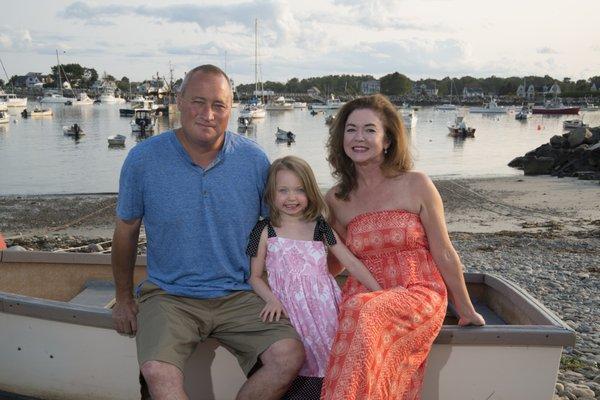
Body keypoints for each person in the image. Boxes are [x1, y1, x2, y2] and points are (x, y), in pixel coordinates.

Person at [111, 64, 304, 400]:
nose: (208, 114)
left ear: (231, 110)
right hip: (170, 295)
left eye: (219, 105)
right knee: (157, 371)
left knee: (289, 356)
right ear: (179, 101)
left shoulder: (254, 159)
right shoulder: (144, 159)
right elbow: (126, 231)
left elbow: (276, 230)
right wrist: (125, 299)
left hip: (241, 293)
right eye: (198, 102)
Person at [320, 94, 485, 400]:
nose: (359, 137)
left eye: (370, 130)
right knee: (359, 310)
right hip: (365, 292)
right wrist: (310, 235)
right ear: (340, 138)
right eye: (351, 129)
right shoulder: (337, 199)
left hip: (417, 290)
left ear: (387, 140)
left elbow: (445, 251)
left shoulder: (416, 184)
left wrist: (465, 308)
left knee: (362, 311)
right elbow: (335, 265)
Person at [246, 155, 382, 399]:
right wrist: (271, 300)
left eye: (299, 190)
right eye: (283, 190)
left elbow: (350, 261)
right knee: (293, 364)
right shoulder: (263, 230)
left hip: (325, 311)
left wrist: (379, 292)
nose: (291, 198)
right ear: (270, 194)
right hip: (288, 311)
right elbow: (254, 276)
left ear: (310, 191)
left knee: (329, 361)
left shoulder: (319, 227)